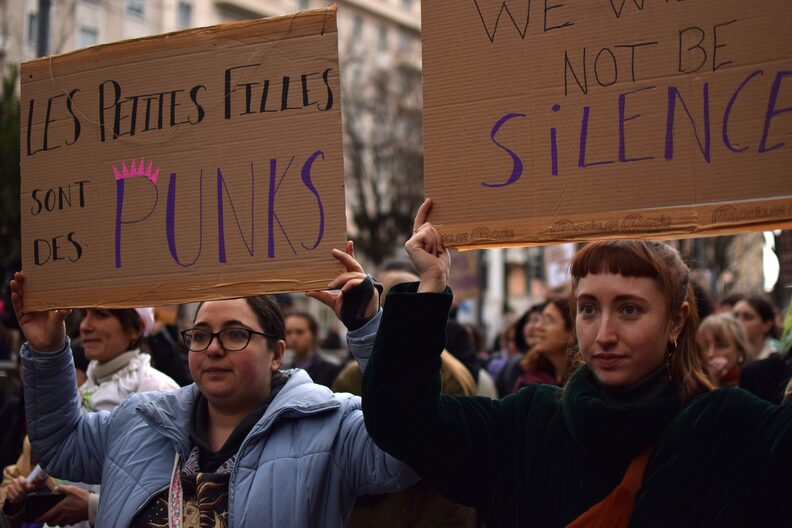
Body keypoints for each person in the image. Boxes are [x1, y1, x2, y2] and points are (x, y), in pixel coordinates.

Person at [361, 198, 792, 528]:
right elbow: (403, 420)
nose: (603, 334)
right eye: (587, 309)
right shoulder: (526, 423)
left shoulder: (731, 430)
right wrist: (431, 285)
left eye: (629, 310)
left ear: (676, 321)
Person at [11, 244, 415, 528]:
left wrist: (368, 329)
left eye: (235, 334)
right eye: (201, 335)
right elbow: (61, 445)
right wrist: (46, 349)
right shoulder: (140, 418)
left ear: (276, 354)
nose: (214, 349)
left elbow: (405, 456)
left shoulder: (332, 424)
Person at [3, 306, 180, 527]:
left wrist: (93, 506)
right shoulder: (84, 384)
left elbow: (168, 490)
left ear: (136, 328)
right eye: (85, 314)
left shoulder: (157, 388)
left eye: (101, 315)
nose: (86, 326)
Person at [511, 297, 572, 392]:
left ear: (571, 332)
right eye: (540, 320)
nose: (537, 326)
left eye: (548, 320)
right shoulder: (528, 380)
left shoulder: (587, 383)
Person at [283, 311, 343, 388]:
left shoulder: (331, 368)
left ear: (313, 334)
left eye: (299, 332)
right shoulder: (284, 368)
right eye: (289, 332)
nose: (293, 338)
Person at [697, 314, 751, 387]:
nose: (710, 354)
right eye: (705, 347)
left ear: (740, 350)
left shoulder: (752, 382)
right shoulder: (691, 383)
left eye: (721, 346)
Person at [732, 295, 780, 361]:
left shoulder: (778, 356)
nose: (738, 322)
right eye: (735, 316)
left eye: (747, 317)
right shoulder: (728, 354)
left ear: (766, 326)